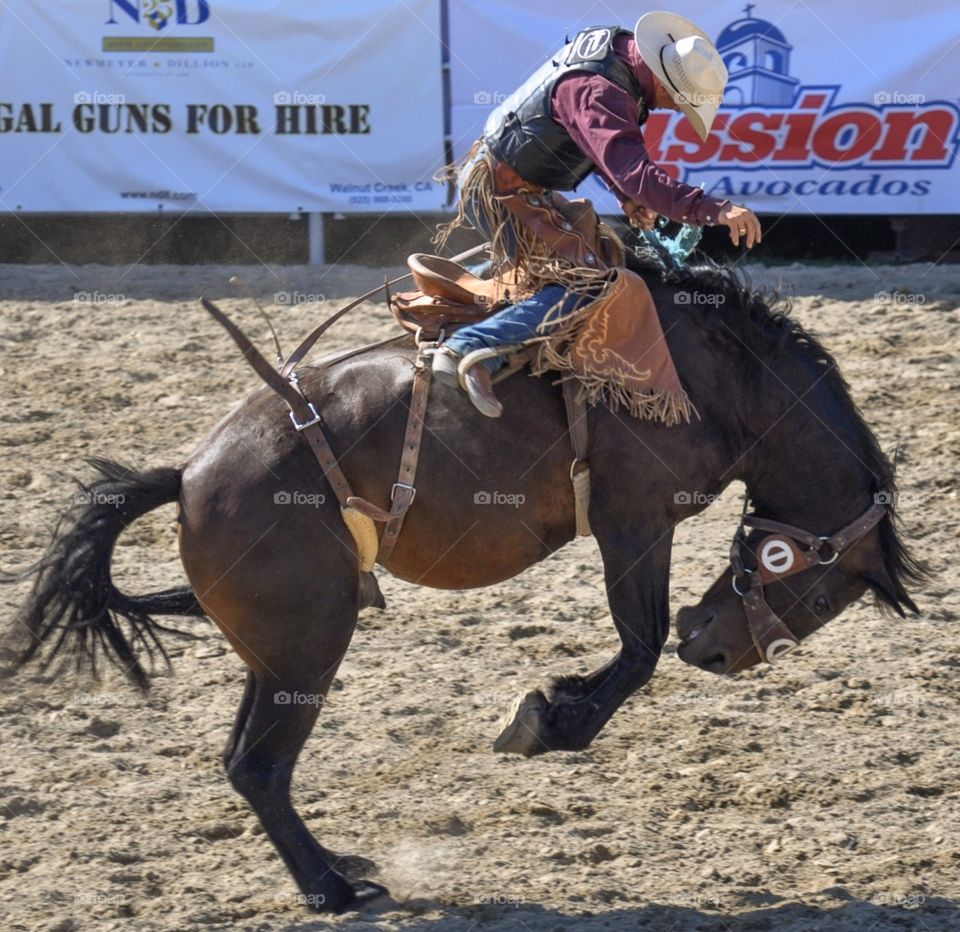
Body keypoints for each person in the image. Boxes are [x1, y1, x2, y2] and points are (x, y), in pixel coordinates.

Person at [431, 12, 762, 417]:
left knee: (591, 256)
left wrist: (626, 197)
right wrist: (714, 210)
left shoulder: (615, 61)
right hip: (504, 191)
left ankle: (483, 287)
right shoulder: (600, 89)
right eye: (678, 102)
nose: (675, 110)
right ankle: (471, 346)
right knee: (590, 283)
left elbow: (596, 144)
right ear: (662, 81)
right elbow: (638, 173)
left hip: (516, 183)